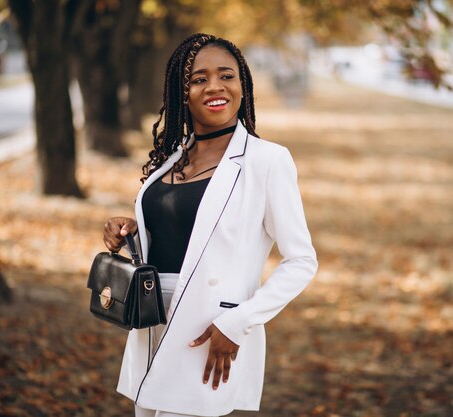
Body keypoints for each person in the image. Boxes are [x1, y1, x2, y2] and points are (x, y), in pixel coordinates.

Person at [102, 33, 317, 417]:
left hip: (207, 330)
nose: (214, 86)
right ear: (181, 93)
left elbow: (301, 261)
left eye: (226, 76)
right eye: (199, 79)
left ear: (243, 85)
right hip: (151, 323)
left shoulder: (267, 161)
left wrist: (238, 323)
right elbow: (188, 229)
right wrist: (134, 228)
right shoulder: (174, 157)